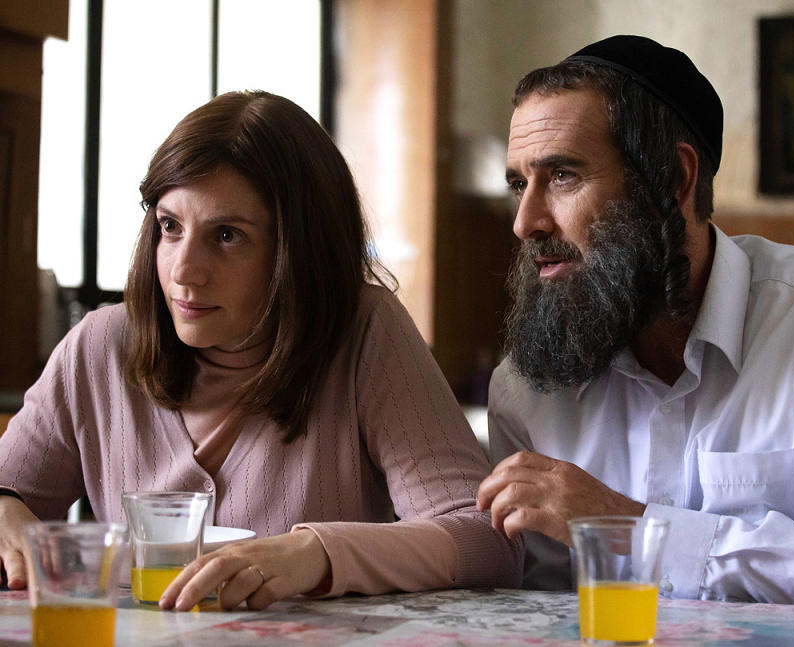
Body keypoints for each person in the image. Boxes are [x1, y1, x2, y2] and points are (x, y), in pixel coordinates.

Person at [476, 35, 794, 609]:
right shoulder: (525, 387)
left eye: (563, 177)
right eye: (519, 184)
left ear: (674, 179)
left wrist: (625, 525)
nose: (525, 222)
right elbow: (539, 607)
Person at [0, 90, 521, 610]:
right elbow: (9, 493)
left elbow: (487, 540)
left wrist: (313, 554)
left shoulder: (364, 331)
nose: (183, 271)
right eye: (170, 227)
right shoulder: (98, 346)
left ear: (297, 250)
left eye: (226, 235)